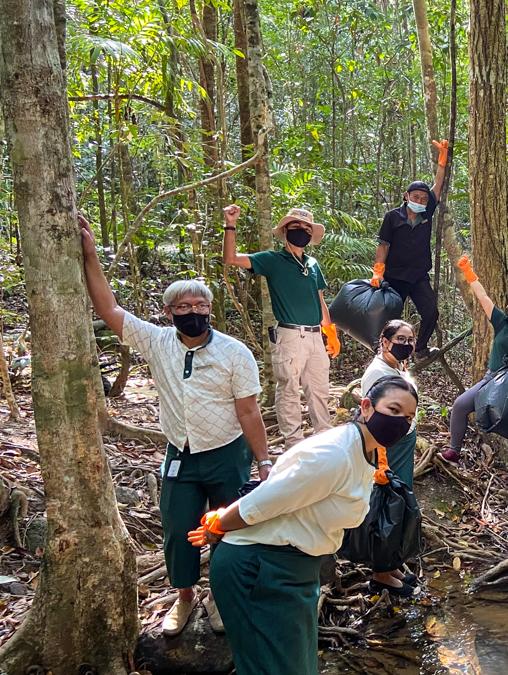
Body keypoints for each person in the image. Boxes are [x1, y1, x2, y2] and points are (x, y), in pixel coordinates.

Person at [80, 215, 271, 636]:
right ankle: (184, 597)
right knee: (178, 525)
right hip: (179, 453)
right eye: (183, 307)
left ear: (210, 310)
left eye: (200, 306)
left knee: (227, 525)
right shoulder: (156, 341)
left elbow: (249, 411)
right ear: (169, 312)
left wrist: (263, 462)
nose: (193, 313)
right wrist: (91, 255)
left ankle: (220, 595)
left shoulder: (235, 353)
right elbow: (108, 309)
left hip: (227, 451)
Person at [191, 376, 419, 675]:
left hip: (296, 568)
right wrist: (218, 526)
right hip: (260, 566)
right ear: (366, 407)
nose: (401, 421)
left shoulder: (368, 451)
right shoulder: (335, 454)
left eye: (409, 417)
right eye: (394, 409)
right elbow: (263, 501)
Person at [223, 203, 339, 450]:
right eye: (296, 226)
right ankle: (294, 444)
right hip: (289, 334)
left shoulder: (313, 263)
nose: (301, 230)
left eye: (306, 227)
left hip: (315, 336)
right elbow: (231, 259)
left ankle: (324, 440)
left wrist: (330, 331)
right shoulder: (272, 260)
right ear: (285, 230)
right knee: (289, 390)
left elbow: (319, 299)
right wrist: (230, 224)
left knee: (318, 390)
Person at [442, 256, 508, 492]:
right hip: (492, 378)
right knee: (460, 405)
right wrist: (468, 272)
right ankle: (454, 450)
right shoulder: (502, 323)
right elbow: (483, 297)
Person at [370, 140, 451, 359]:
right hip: (395, 277)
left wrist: (441, 161)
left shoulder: (426, 213)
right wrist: (377, 272)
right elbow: (383, 246)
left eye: (423, 199)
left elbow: (438, 184)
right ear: (407, 197)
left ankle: (420, 349)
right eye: (415, 197)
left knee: (431, 312)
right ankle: (384, 354)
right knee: (389, 320)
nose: (420, 201)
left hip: (418, 276)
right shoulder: (393, 217)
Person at [360, 320, 423, 594]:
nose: (406, 344)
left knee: (400, 504)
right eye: (400, 338)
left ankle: (392, 564)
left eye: (410, 339)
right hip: (387, 448)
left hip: (403, 443)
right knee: (387, 507)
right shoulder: (377, 373)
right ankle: (381, 573)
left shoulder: (397, 367)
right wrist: (381, 460)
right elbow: (374, 417)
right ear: (385, 341)